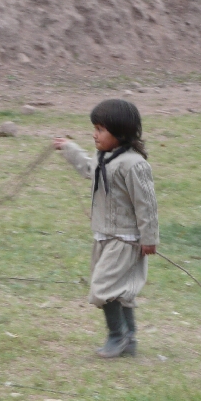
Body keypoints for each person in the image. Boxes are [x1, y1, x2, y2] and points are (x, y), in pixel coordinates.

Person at [53, 99, 159, 359]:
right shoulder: (105, 158)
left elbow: (146, 204)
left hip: (126, 239)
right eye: (95, 128)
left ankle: (117, 336)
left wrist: (149, 238)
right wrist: (69, 148)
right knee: (118, 289)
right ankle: (129, 340)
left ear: (121, 132)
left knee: (103, 286)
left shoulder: (134, 165)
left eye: (101, 129)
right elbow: (89, 168)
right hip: (104, 236)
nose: (94, 134)